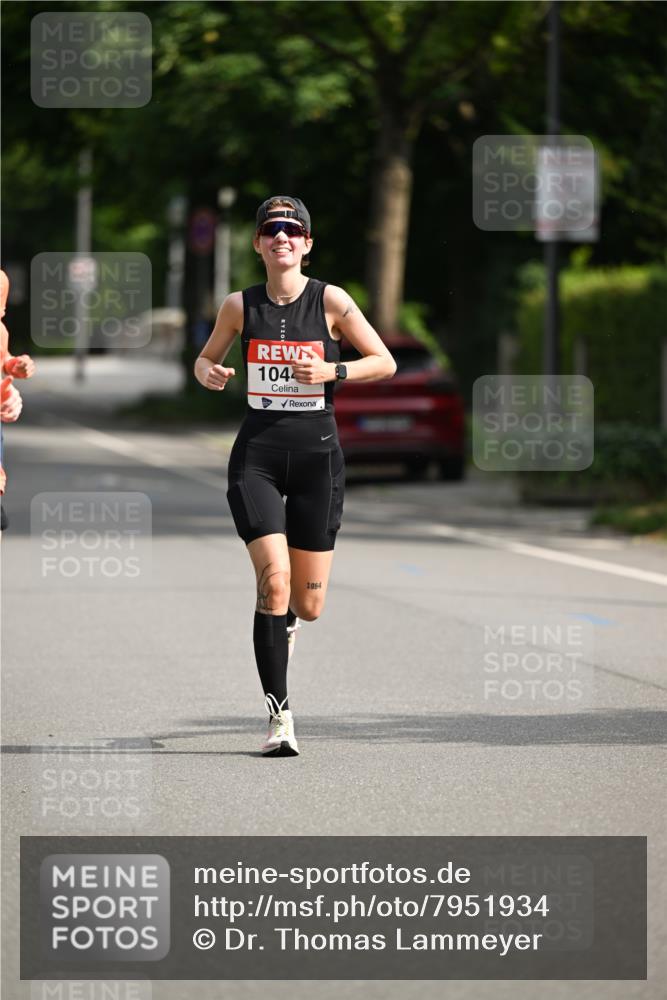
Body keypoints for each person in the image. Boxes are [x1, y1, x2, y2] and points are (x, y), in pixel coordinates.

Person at [194, 196, 396, 756]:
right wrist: (208, 370)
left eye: (292, 229)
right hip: (256, 456)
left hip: (318, 462)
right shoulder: (239, 305)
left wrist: (334, 368)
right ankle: (279, 719)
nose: (281, 236)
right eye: (270, 229)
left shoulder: (331, 299)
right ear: (258, 244)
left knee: (307, 605)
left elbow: (384, 360)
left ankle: (286, 624)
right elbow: (205, 357)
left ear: (306, 244)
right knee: (274, 582)